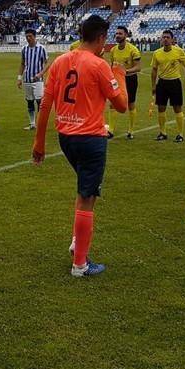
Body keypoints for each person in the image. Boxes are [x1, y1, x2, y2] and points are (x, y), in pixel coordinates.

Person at [32, 14, 127, 277]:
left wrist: (39, 142)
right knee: (87, 196)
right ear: (100, 38)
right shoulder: (99, 65)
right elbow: (120, 106)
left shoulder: (61, 61)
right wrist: (119, 73)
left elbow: (45, 104)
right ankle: (80, 265)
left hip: (66, 137)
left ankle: (77, 242)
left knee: (85, 190)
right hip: (90, 138)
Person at [150, 29, 185, 143]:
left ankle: (180, 134)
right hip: (162, 83)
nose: (165, 39)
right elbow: (154, 70)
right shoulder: (157, 53)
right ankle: (163, 133)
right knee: (161, 108)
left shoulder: (178, 51)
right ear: (161, 39)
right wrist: (153, 85)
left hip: (175, 82)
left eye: (168, 37)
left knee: (177, 108)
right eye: (164, 37)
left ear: (172, 39)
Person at [106, 26, 142, 139]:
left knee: (130, 104)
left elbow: (138, 68)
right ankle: (110, 130)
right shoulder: (113, 50)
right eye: (116, 33)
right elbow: (112, 65)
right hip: (117, 80)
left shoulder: (133, 50)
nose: (117, 35)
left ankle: (131, 131)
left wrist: (125, 71)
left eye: (120, 33)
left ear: (126, 35)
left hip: (130, 79)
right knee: (113, 103)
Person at [19, 28, 50, 130]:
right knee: (29, 101)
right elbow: (23, 64)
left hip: (38, 80)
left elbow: (47, 63)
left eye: (30, 36)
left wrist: (40, 73)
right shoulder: (24, 49)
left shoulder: (41, 48)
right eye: (27, 36)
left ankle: (40, 123)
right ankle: (32, 124)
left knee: (39, 101)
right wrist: (19, 78)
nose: (28, 38)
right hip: (27, 79)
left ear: (34, 36)